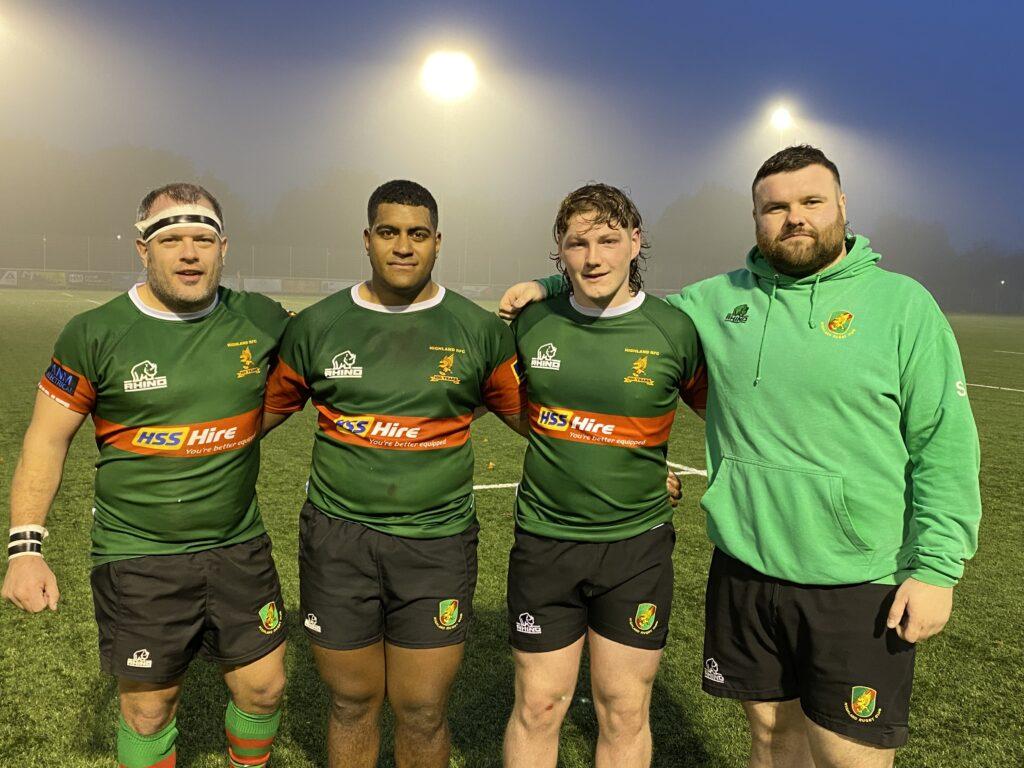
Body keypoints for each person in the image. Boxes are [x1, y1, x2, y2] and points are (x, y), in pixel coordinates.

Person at [499, 146, 982, 768]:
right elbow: (617, 289)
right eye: (774, 207)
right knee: (770, 737)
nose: (794, 217)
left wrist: (938, 566)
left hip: (859, 575)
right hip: (748, 565)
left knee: (849, 755)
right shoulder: (711, 302)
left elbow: (945, 443)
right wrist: (550, 283)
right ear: (755, 218)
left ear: (842, 206)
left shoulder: (903, 305)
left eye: (810, 201)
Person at [2, 183, 291, 768]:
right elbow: (46, 438)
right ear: (143, 250)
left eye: (202, 240)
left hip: (239, 544)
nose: (189, 253)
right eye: (172, 240)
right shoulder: (94, 332)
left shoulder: (261, 318)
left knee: (264, 688)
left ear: (223, 248)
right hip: (139, 554)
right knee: (150, 709)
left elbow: (323, 367)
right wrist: (25, 548)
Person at [262, 180, 527, 768]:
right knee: (353, 702)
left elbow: (536, 422)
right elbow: (254, 419)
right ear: (366, 240)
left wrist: (634, 467)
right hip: (338, 541)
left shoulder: (477, 330)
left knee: (423, 709)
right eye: (388, 233)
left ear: (438, 243)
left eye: (417, 234)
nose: (403, 247)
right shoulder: (319, 324)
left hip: (437, 542)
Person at [501, 183, 706, 768]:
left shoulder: (674, 330)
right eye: (577, 244)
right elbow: (508, 404)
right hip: (545, 540)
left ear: (635, 242)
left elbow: (722, 418)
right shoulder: (532, 321)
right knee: (539, 704)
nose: (594, 258)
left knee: (623, 707)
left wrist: (638, 455)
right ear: (559, 252)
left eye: (609, 241)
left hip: (634, 549)